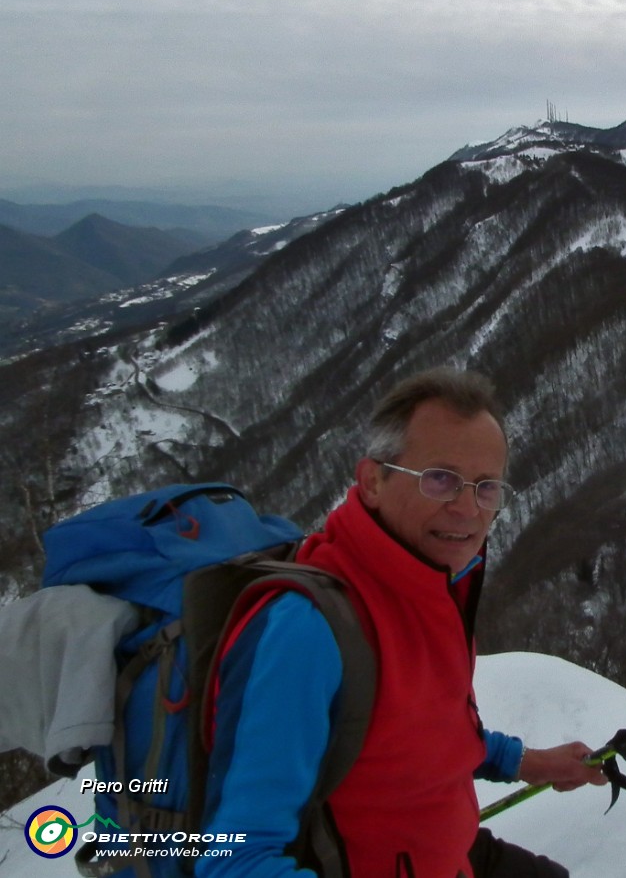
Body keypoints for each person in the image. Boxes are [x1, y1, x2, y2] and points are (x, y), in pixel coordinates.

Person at [198, 368, 604, 877]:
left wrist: (527, 762)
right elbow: (235, 861)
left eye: (486, 488)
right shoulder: (307, 632)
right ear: (373, 481)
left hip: (447, 853)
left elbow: (423, 734)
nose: (466, 510)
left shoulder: (433, 589)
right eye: (441, 479)